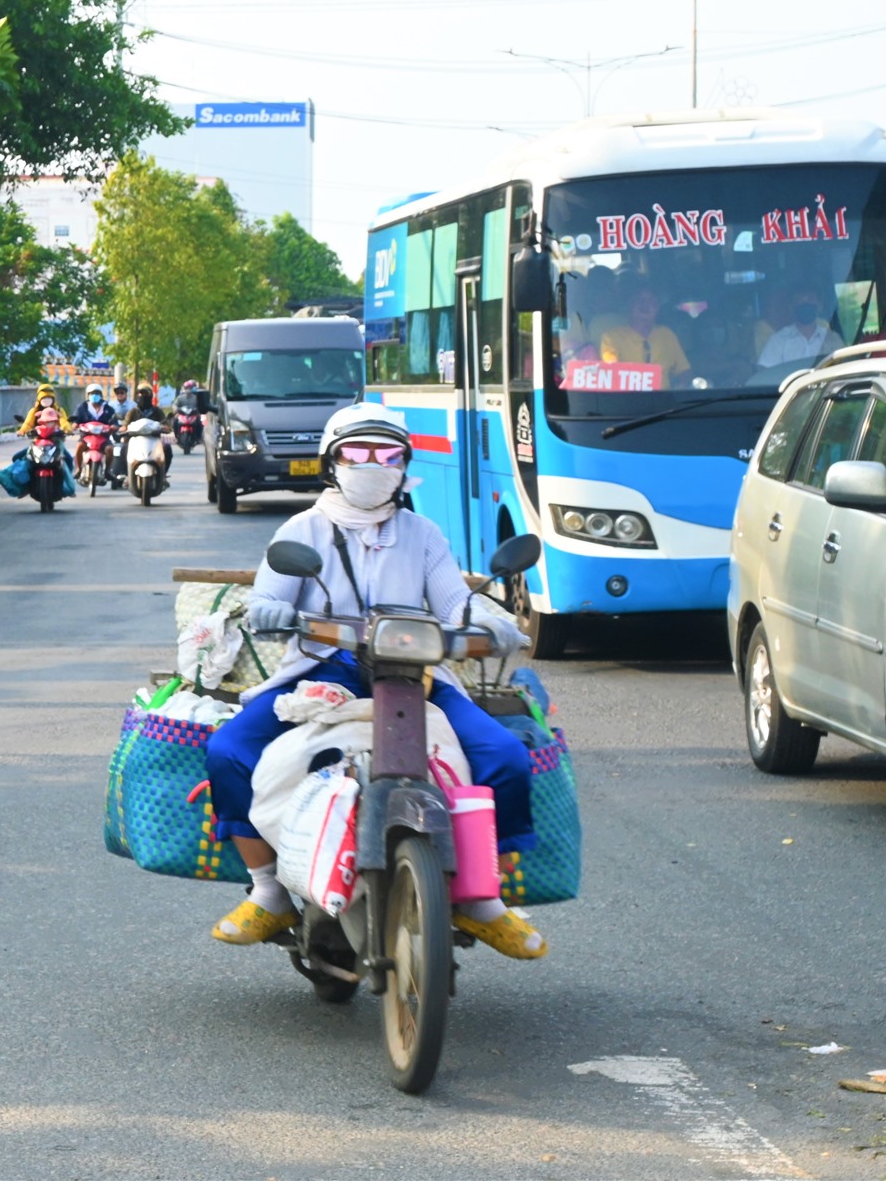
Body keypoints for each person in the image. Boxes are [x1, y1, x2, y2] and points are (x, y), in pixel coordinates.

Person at [200, 403, 547, 960]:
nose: (372, 464)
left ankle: (485, 899)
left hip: (416, 673)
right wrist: (268, 612)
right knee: (228, 750)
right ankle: (268, 892)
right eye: (357, 452)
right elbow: (267, 597)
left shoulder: (422, 533)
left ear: (404, 464)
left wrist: (494, 623)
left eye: (387, 454)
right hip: (322, 671)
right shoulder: (301, 528)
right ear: (331, 462)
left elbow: (457, 605)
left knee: (506, 756)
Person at [599, 286, 691, 380]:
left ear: (658, 307)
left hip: (662, 394)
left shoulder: (667, 335)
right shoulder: (612, 337)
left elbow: (684, 370)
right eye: (639, 299)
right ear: (630, 305)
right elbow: (612, 371)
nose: (645, 304)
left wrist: (679, 388)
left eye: (651, 300)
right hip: (628, 394)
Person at [756, 288, 843, 369]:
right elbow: (767, 374)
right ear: (791, 307)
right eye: (799, 300)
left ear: (820, 305)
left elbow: (844, 369)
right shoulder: (778, 341)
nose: (805, 304)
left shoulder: (832, 339)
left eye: (810, 299)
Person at [119, 384, 173, 472]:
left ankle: (163, 475)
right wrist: (123, 429)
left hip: (154, 440)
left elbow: (165, 423)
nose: (143, 396)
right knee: (123, 449)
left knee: (167, 449)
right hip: (136, 440)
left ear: (151, 395)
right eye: (140, 394)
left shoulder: (157, 411)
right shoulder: (133, 412)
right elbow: (125, 425)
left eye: (145, 394)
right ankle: (127, 474)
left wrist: (165, 427)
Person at [71, 384, 118, 465]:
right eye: (92, 394)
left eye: (97, 393)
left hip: (103, 437)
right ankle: (78, 469)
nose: (94, 395)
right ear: (88, 395)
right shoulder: (82, 407)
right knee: (79, 447)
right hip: (86, 437)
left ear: (101, 395)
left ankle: (108, 471)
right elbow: (76, 418)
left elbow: (114, 421)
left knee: (110, 449)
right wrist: (75, 424)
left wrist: (113, 426)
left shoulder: (108, 408)